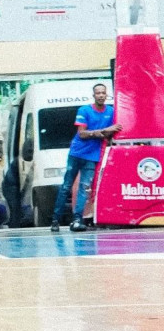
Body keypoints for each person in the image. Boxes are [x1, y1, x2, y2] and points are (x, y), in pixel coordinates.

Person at [50, 83, 121, 233]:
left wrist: (104, 133)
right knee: (66, 186)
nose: (101, 95)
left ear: (106, 94)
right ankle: (55, 219)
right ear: (93, 95)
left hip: (92, 156)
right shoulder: (84, 110)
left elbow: (110, 132)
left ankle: (77, 219)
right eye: (98, 93)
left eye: (103, 93)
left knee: (84, 188)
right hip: (76, 153)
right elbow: (82, 133)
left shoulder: (111, 112)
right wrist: (102, 131)